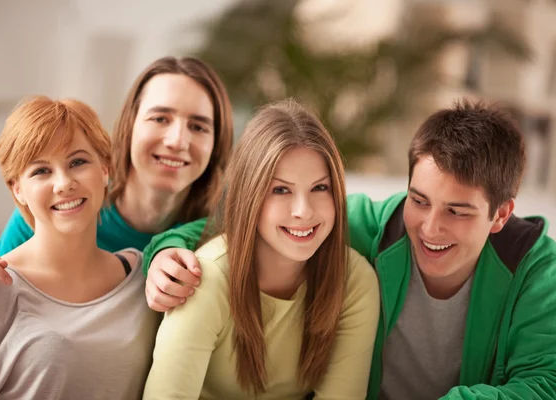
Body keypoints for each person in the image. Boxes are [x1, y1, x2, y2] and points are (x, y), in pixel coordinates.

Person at [142, 100, 556, 399]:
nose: (430, 228)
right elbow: (241, 225)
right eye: (420, 200)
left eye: (458, 212)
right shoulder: (374, 228)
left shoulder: (535, 268)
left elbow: (545, 382)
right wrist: (166, 250)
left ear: (500, 215)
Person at [142, 100, 380, 399]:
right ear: (249, 195)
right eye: (280, 190)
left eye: (320, 188)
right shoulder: (206, 279)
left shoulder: (354, 281)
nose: (303, 211)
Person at [0, 56, 233, 301]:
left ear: (215, 144)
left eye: (198, 126)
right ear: (129, 126)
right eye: (160, 118)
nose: (177, 141)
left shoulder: (219, 233)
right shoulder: (57, 210)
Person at [0, 96, 159, 400]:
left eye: (78, 162)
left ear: (105, 171)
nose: (63, 183)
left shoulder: (144, 280)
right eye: (41, 171)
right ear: (17, 189)